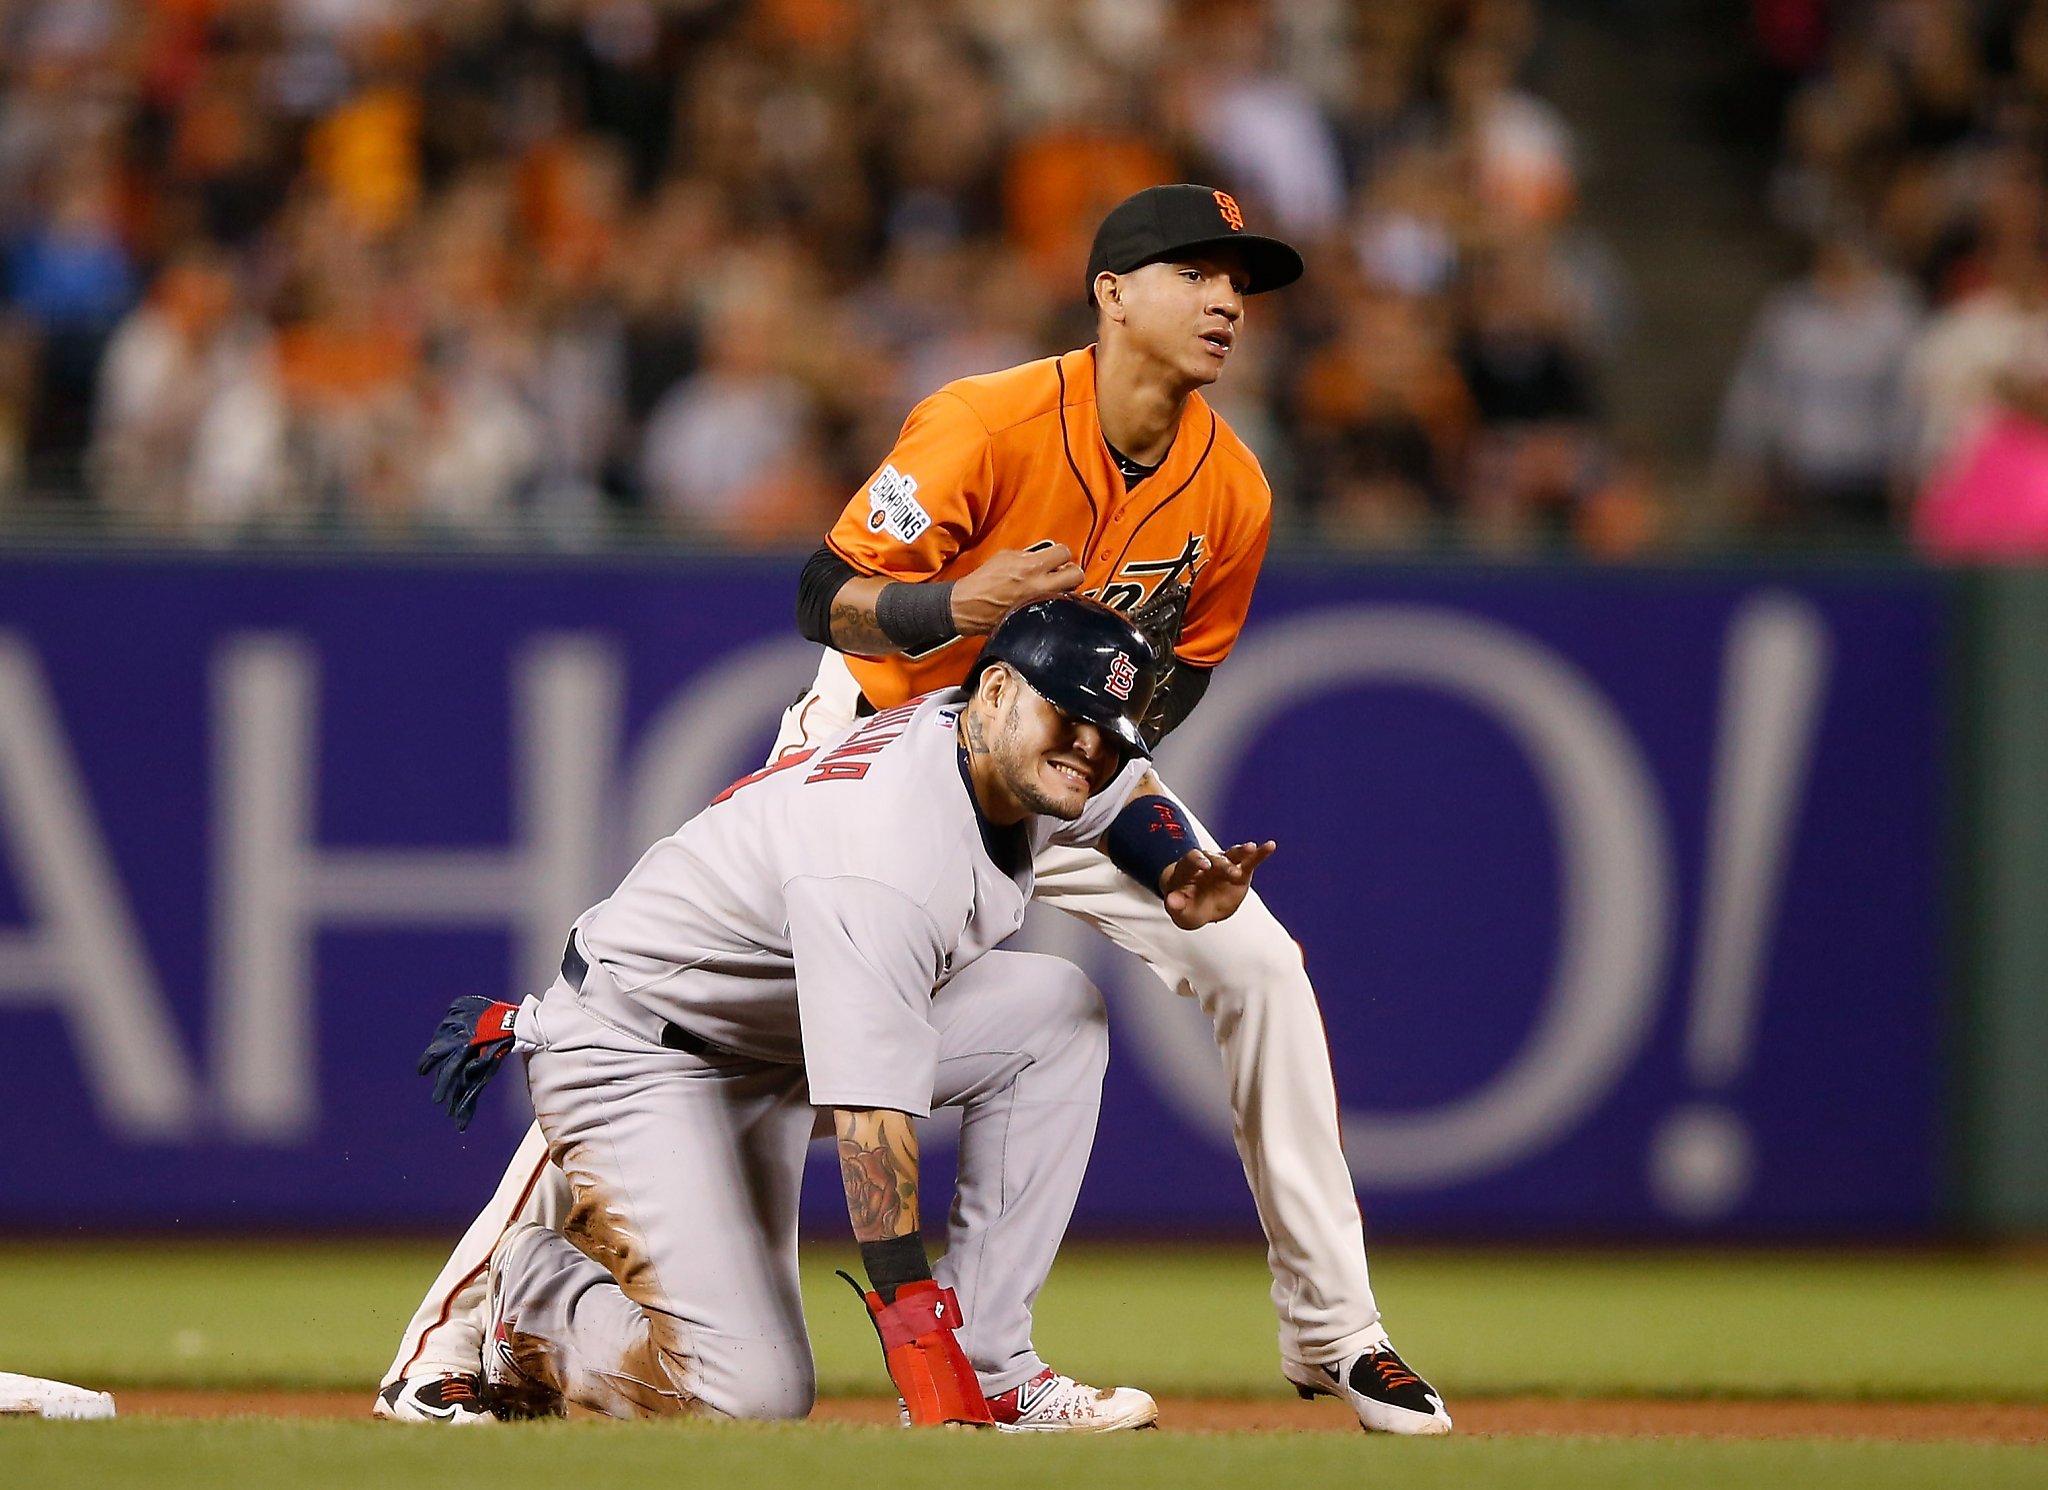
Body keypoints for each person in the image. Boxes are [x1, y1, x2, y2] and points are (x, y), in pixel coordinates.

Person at [379, 183, 1452, 1437]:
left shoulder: (1234, 490)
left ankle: (1335, 1329)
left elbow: (1173, 681)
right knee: (673, 1004)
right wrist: (957, 607)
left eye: (1240, 281)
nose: (1226, 299)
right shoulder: (985, 420)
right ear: (1110, 293)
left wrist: (1135, 827)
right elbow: (821, 590)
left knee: (1253, 955)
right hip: (884, 742)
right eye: (1192, 271)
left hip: (1058, 759)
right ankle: (461, 1326)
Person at [415, 596, 1272, 1426]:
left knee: (1054, 1013)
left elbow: (1124, 797)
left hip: (767, 1037)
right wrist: (913, 1332)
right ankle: (532, 1298)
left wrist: (1173, 868)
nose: (1088, 748)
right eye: (1071, 719)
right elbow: (871, 1121)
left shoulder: (996, 742)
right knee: (746, 1395)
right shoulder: (890, 848)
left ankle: (994, 1367)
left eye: (1107, 733)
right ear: (1001, 689)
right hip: (643, 1057)